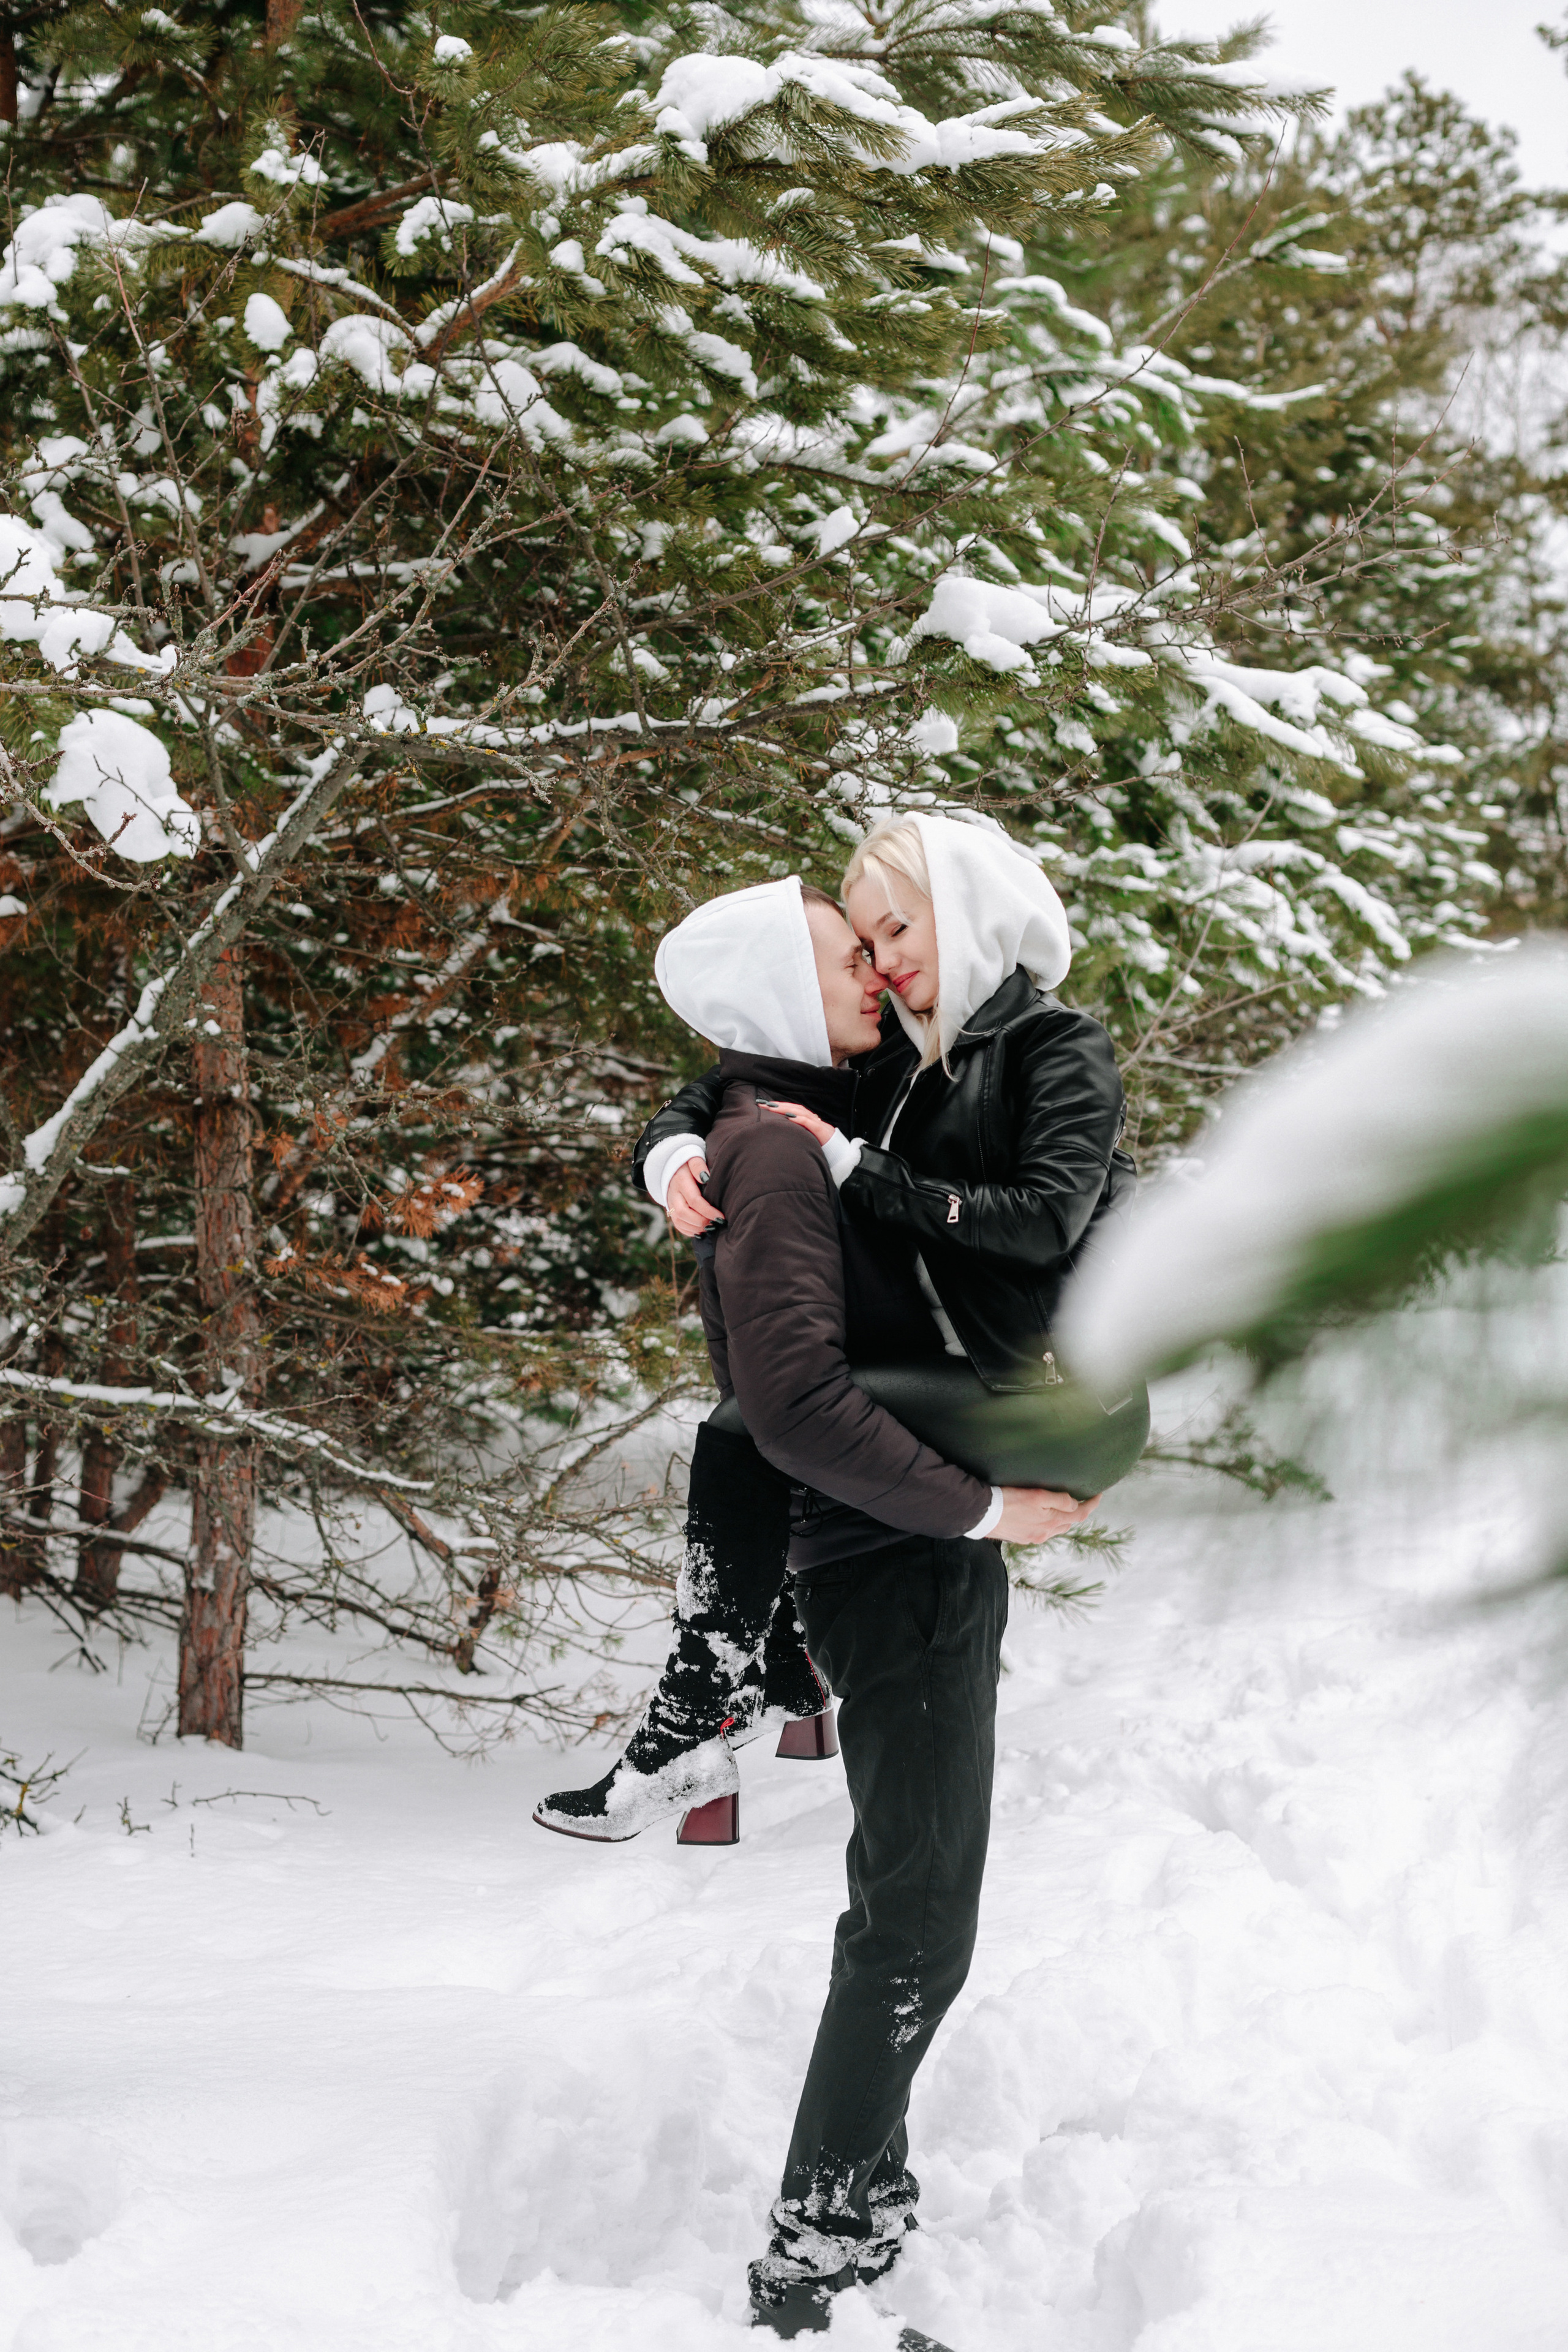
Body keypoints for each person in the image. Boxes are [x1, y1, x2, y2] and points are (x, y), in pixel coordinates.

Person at [551, 871, 1092, 2334]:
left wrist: (672, 1132)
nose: (872, 964)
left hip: (886, 1548)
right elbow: (783, 1402)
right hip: (893, 1557)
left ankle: (869, 2194)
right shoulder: (783, 1156)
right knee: (917, 1922)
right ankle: (809, 2260)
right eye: (845, 952)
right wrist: (979, 1507)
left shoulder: (797, 1123)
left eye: (881, 939)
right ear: (784, 996)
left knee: (900, 1895)